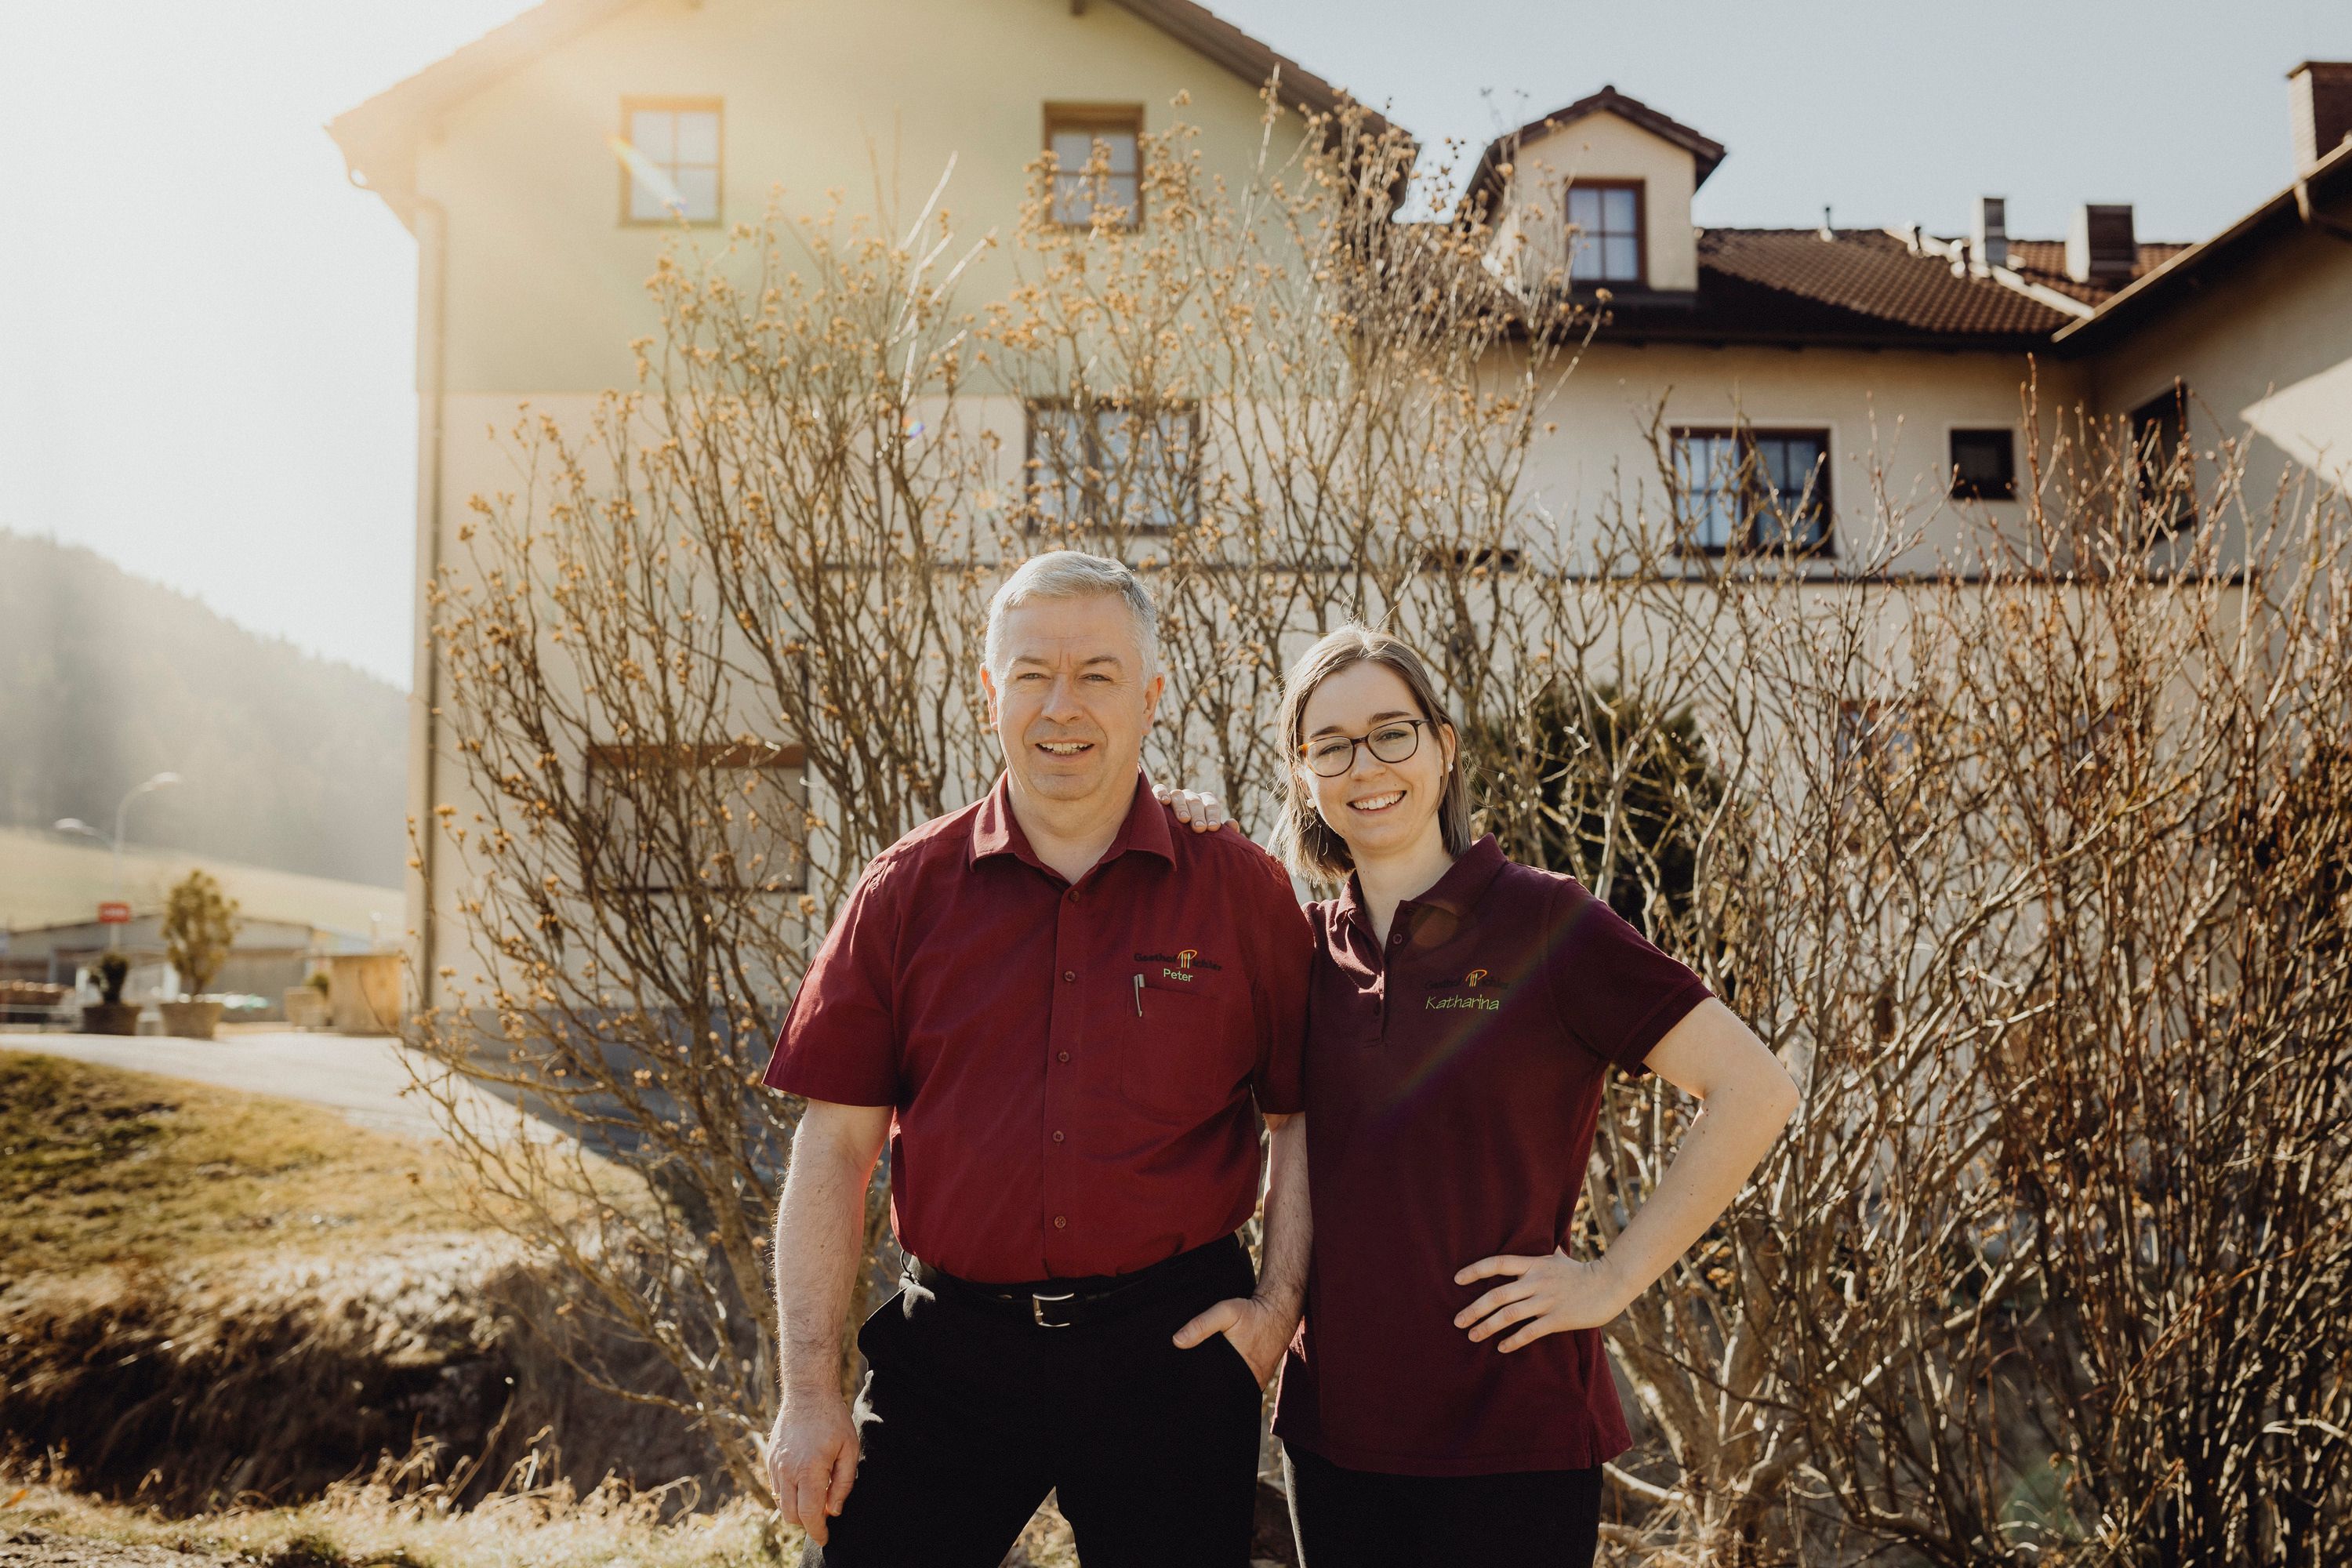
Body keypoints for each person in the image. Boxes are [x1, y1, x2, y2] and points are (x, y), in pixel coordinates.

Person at [760, 550, 1312, 1568]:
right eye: (1032, 673)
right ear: (990, 692)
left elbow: (1299, 1118)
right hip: (953, 1351)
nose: (1064, 705)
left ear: (1149, 697)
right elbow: (833, 1149)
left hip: (1175, 1350)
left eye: (1098, 675)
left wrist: (1277, 1308)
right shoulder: (903, 894)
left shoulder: (1240, 891)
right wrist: (809, 1391)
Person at [1254, 625, 1798, 1566]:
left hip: (1514, 1436)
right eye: (1330, 744)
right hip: (1333, 1436)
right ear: (1304, 775)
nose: (1365, 764)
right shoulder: (1300, 949)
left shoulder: (1547, 921)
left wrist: (1611, 1278)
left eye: (1392, 731)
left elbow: (1754, 1086)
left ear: (1442, 746)